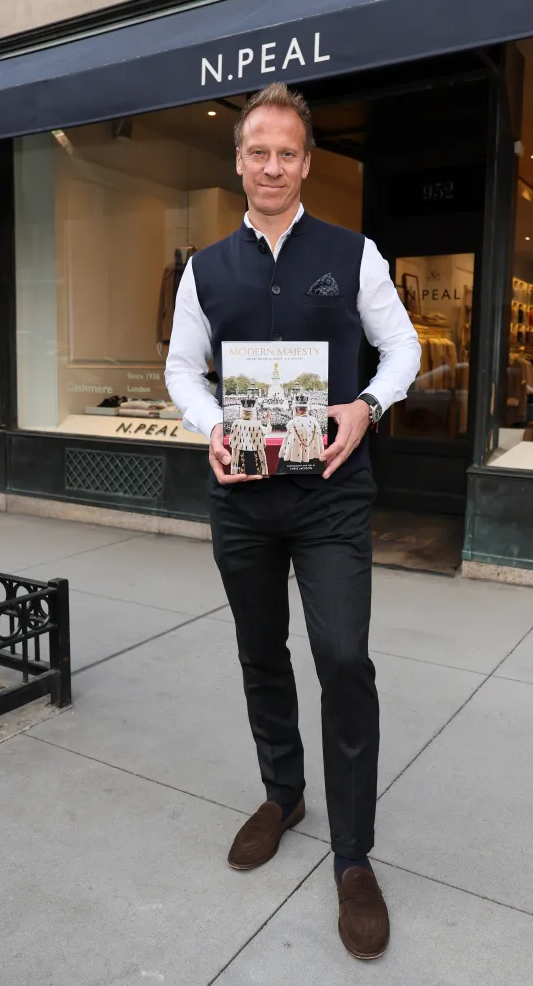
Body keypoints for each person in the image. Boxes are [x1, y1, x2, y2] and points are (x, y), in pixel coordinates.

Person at [166, 82, 421, 960]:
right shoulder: (205, 269)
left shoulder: (352, 254)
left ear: (306, 164)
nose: (271, 165)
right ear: (237, 161)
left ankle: (353, 857)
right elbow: (181, 371)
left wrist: (366, 407)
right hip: (242, 491)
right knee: (259, 651)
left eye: (286, 152)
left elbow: (403, 349)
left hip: (330, 494)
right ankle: (285, 794)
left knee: (343, 658)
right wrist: (208, 428)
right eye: (256, 151)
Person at [276, 394, 324, 473]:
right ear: (306, 409)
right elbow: (319, 444)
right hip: (313, 462)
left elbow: (287, 445)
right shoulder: (315, 423)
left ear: (296, 410)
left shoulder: (293, 423)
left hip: (294, 463)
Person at [229, 399, 271, 475]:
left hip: (240, 456)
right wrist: (268, 420)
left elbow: (234, 448)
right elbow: (268, 430)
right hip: (255, 456)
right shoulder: (256, 424)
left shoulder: (236, 423)